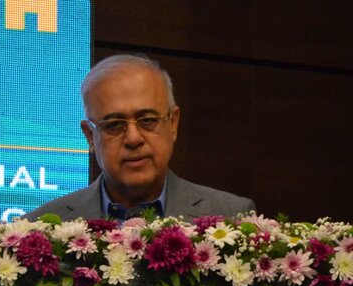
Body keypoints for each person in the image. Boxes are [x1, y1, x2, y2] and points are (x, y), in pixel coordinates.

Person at [25, 54, 255, 221]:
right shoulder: (42, 226)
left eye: (147, 120)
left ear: (173, 124)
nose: (133, 139)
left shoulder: (230, 216)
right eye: (114, 125)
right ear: (90, 136)